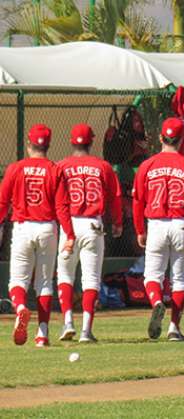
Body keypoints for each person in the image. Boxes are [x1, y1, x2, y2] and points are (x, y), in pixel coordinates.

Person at [133, 117, 184, 341]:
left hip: (156, 225)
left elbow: (138, 201)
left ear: (160, 138)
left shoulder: (147, 165)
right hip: (182, 225)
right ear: (181, 139)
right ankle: (174, 328)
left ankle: (156, 302)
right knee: (180, 279)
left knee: (152, 277)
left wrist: (139, 230)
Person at [0, 124, 75, 347]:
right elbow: (62, 206)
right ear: (48, 144)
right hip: (47, 229)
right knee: (44, 283)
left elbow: (3, 202)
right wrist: (69, 234)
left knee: (17, 281)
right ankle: (42, 334)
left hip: (23, 227)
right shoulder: (54, 169)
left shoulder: (15, 168)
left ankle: (21, 308)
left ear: (29, 143)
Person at [56, 124, 123, 343]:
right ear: (91, 142)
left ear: (71, 141)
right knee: (91, 278)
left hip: (69, 225)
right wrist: (118, 222)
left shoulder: (61, 166)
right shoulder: (103, 166)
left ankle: (67, 322)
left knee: (65, 275)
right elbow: (115, 197)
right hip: (94, 225)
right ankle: (86, 330)